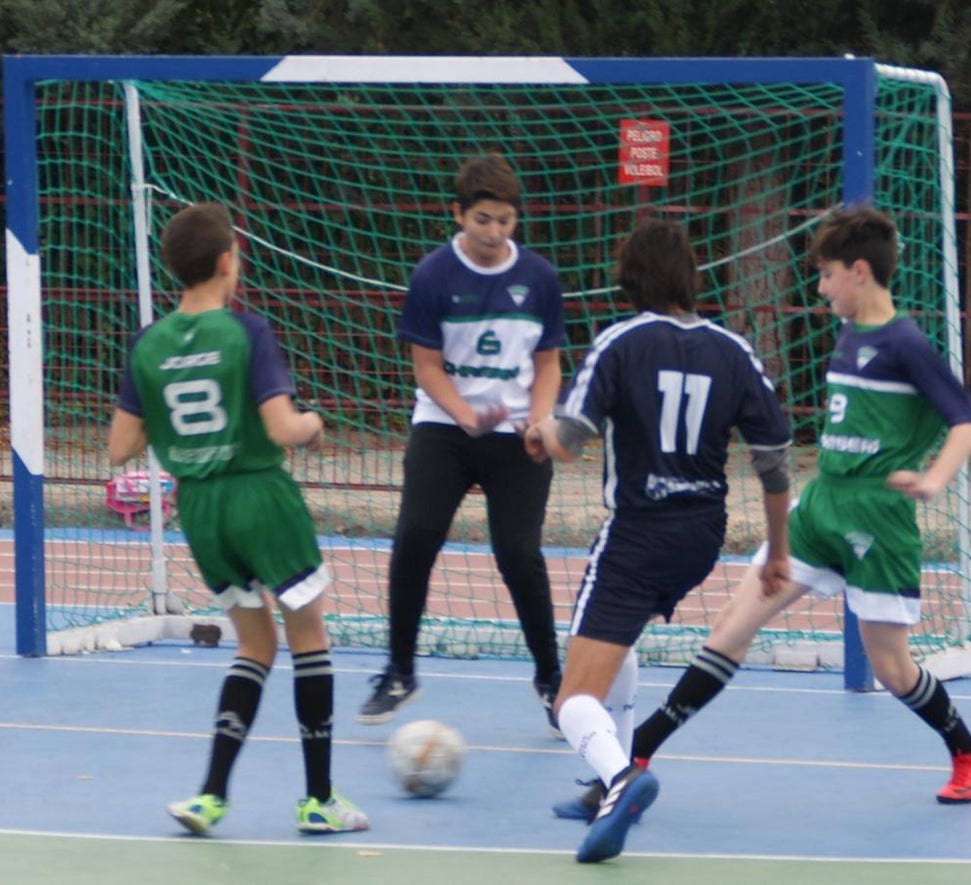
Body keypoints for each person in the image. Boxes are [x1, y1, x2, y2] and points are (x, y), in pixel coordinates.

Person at [556, 204, 971, 824]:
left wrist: (931, 481)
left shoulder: (905, 343)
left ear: (859, 272)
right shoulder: (849, 333)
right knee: (731, 626)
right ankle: (635, 761)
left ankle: (969, 751)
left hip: (878, 521)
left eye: (827, 275)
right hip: (820, 506)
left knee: (892, 668)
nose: (820, 289)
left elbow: (966, 422)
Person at [526, 218, 793, 863]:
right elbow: (774, 460)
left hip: (638, 533)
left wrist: (537, 432)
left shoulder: (621, 342)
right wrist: (779, 549)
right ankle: (608, 785)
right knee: (620, 638)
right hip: (702, 535)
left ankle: (622, 779)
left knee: (569, 701)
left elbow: (569, 439)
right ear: (689, 277)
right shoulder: (734, 350)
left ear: (629, 279)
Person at [107, 202, 369, 836]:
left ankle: (211, 795)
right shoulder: (246, 332)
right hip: (260, 497)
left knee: (254, 644)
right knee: (307, 636)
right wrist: (312, 424)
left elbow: (119, 448)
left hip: (200, 510)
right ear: (228, 261)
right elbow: (281, 427)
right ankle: (319, 800)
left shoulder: (147, 344)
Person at [356, 154, 566, 737]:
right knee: (415, 538)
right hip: (445, 428)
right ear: (458, 214)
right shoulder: (433, 276)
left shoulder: (539, 278)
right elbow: (426, 366)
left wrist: (540, 420)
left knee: (518, 553)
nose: (494, 233)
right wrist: (466, 415)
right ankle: (399, 671)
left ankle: (552, 677)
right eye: (482, 220)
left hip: (516, 436)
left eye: (504, 220)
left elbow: (548, 362)